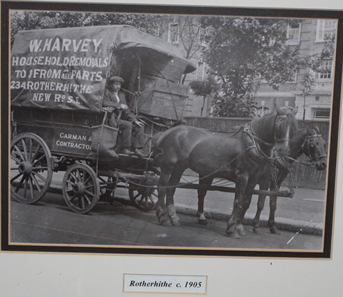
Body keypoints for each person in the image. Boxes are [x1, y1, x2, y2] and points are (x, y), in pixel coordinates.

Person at [102, 76, 146, 157]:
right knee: (127, 125)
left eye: (119, 84)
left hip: (120, 119)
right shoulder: (107, 92)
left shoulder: (121, 94)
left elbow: (126, 110)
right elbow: (105, 102)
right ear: (111, 85)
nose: (118, 86)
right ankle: (125, 148)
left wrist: (135, 120)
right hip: (111, 119)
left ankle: (137, 149)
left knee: (139, 126)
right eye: (116, 84)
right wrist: (119, 105)